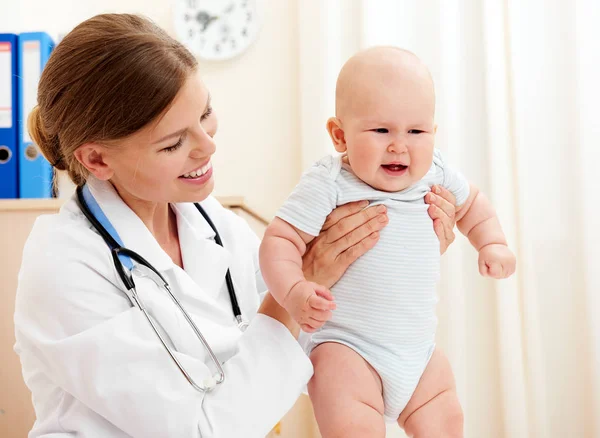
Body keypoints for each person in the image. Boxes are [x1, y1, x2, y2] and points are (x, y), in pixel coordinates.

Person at [13, 16, 458, 437]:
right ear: (97, 159)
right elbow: (203, 428)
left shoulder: (216, 227)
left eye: (205, 115)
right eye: (174, 143)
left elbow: (326, 349)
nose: (207, 147)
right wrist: (304, 279)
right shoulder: (64, 266)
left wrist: (395, 252)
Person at [259, 47, 517, 438]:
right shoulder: (329, 181)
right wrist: (295, 291)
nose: (400, 145)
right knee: (349, 418)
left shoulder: (436, 172)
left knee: (448, 420)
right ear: (339, 135)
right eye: (381, 131)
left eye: (416, 131)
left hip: (418, 352)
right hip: (347, 348)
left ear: (433, 132)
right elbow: (280, 239)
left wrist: (492, 244)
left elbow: (473, 206)